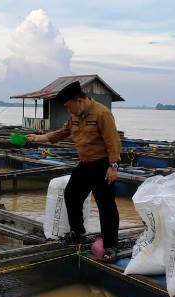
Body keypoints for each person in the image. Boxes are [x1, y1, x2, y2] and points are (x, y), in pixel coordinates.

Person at [27, 81, 121, 261]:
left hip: (103, 165)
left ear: (79, 101)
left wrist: (113, 166)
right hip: (85, 164)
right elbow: (61, 133)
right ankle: (78, 230)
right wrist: (38, 138)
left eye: (69, 106)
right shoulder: (75, 116)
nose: (68, 111)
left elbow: (113, 141)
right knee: (71, 194)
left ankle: (111, 246)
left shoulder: (102, 114)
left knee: (106, 206)